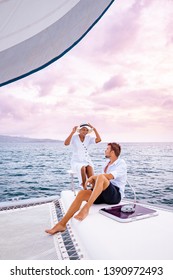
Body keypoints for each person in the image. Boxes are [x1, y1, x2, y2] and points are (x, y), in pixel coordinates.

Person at [45, 142, 127, 235]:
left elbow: (109, 176)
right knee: (81, 193)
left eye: (107, 149)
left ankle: (86, 208)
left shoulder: (121, 163)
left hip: (115, 196)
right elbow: (102, 179)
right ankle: (62, 224)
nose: (105, 150)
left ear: (112, 152)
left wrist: (93, 177)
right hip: (104, 192)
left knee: (100, 177)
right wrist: (93, 181)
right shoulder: (106, 164)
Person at [64, 123, 101, 189]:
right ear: (79, 130)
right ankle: (84, 186)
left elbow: (99, 140)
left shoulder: (89, 138)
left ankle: (93, 188)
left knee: (89, 167)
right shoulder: (74, 137)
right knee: (82, 167)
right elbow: (66, 143)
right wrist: (72, 132)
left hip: (86, 160)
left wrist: (94, 129)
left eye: (86, 130)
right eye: (83, 130)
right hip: (76, 161)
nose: (85, 131)